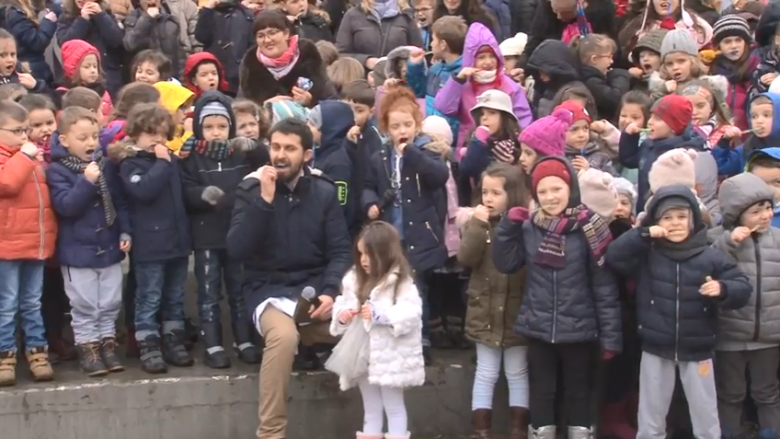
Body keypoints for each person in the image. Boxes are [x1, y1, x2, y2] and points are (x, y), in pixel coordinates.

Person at [226, 118, 352, 439]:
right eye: (276, 147)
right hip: (266, 289)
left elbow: (340, 251)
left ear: (306, 155)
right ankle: (271, 434)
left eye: (290, 149)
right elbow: (237, 249)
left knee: (367, 327)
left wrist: (329, 291)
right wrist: (264, 203)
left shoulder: (324, 193)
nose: (280, 155)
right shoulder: (251, 189)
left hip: (312, 293)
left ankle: (381, 426)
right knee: (283, 337)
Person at [606, 184, 751, 439]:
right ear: (656, 221)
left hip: (698, 348)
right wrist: (642, 234)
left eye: (682, 217)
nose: (675, 223)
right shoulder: (648, 253)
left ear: (693, 220)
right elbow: (615, 256)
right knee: (651, 415)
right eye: (667, 217)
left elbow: (742, 286)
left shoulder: (710, 255)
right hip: (655, 346)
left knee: (705, 414)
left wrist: (723, 288)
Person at [492, 156, 622, 439]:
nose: (550, 198)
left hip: (579, 328)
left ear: (570, 188)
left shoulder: (590, 228)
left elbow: (604, 285)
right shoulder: (529, 227)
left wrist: (611, 336)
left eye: (557, 189)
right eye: (543, 192)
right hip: (538, 327)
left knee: (578, 391)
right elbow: (507, 263)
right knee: (542, 390)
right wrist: (506, 229)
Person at [179, 91, 267, 368]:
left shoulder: (239, 152)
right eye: (208, 127)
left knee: (239, 290)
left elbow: (266, 164)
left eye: (221, 126)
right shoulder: (191, 156)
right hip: (207, 237)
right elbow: (184, 189)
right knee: (208, 293)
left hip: (238, 234)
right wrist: (202, 194)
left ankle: (245, 340)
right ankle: (213, 343)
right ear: (198, 128)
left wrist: (253, 146)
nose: (215, 133)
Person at [46, 106, 131, 377]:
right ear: (64, 140)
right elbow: (66, 207)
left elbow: (119, 204)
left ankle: (107, 345)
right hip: (77, 252)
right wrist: (86, 182)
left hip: (108, 248)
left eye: (94, 136)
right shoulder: (57, 171)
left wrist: (124, 232)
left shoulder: (105, 166)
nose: (91, 143)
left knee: (109, 301)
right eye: (82, 138)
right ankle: (88, 348)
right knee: (84, 304)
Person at [108, 103, 192, 374]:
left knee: (174, 297)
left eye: (162, 134)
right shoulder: (130, 163)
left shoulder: (170, 161)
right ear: (136, 133)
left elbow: (183, 196)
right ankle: (148, 344)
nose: (157, 139)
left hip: (177, 242)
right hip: (150, 245)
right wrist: (162, 163)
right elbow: (144, 190)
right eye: (150, 133)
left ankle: (173, 340)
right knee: (150, 296)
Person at [330, 221, 425, 439]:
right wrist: (343, 315)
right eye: (361, 253)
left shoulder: (400, 281)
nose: (363, 260)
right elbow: (342, 303)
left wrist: (383, 316)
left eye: (369, 254)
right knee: (370, 406)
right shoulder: (354, 279)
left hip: (391, 356)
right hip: (363, 352)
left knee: (394, 406)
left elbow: (411, 311)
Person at [457, 163, 529, 439]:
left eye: (496, 193)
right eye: (485, 192)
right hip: (484, 313)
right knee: (486, 373)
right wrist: (476, 224)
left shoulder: (524, 226)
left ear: (512, 194)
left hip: (516, 314)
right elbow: (466, 258)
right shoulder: (479, 224)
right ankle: (481, 431)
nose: (488, 198)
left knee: (517, 373)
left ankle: (518, 430)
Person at [710, 173, 780, 439]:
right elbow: (711, 266)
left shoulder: (778, 240)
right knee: (731, 394)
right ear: (737, 215)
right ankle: (730, 433)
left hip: (769, 336)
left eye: (768, 208)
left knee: (767, 393)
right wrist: (730, 242)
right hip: (731, 336)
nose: (765, 216)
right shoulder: (722, 240)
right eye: (756, 211)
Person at [0, 100, 57, 386]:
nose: (24, 136)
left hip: (35, 243)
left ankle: (37, 352)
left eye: (26, 130)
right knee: (7, 304)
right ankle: (4, 356)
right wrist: (23, 156)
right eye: (17, 131)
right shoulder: (20, 157)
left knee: (32, 302)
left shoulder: (32, 157)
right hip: (6, 246)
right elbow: (6, 184)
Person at [238, 10, 338, 108]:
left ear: (286, 33)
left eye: (272, 33)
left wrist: (311, 102)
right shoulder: (250, 67)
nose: (267, 40)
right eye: (261, 36)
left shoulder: (309, 59)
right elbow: (241, 111)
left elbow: (333, 104)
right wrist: (262, 108)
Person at [55, 0, 125, 99]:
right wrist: (82, 20)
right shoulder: (66, 16)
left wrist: (101, 16)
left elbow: (116, 41)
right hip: (78, 79)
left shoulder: (106, 13)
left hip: (107, 74)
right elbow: (65, 44)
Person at [335, 0, 423, 72]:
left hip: (397, 83)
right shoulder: (352, 15)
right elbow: (341, 54)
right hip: (362, 83)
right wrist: (366, 61)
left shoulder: (406, 16)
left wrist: (397, 66)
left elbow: (418, 53)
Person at [194, 0, 255, 95]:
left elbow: (251, 45)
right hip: (215, 73)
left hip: (238, 75)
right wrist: (207, 10)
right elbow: (201, 36)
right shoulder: (209, 13)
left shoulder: (246, 14)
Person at [122, 0, 185, 77]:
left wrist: (182, 79)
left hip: (168, 77)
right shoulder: (132, 19)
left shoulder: (170, 21)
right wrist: (147, 18)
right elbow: (130, 44)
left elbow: (180, 54)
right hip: (144, 78)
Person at [4, 0, 58, 87]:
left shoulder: (14, 10)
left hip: (29, 65)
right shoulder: (14, 14)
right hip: (30, 67)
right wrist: (49, 22)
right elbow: (36, 42)